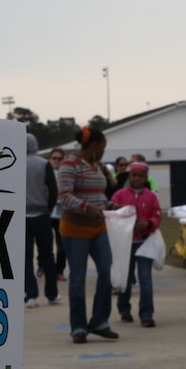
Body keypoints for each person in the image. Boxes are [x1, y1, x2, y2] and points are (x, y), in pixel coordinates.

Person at [58, 126, 120, 344]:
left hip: (98, 227)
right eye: (102, 148)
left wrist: (109, 204)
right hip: (75, 229)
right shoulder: (70, 164)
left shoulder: (97, 166)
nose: (104, 152)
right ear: (93, 146)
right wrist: (87, 207)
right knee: (78, 279)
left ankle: (99, 322)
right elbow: (64, 197)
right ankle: (78, 327)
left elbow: (98, 195)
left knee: (107, 271)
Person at [110, 161, 162, 327]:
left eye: (140, 175)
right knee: (126, 277)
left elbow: (157, 214)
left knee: (145, 278)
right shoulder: (120, 194)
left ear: (146, 177)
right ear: (129, 176)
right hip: (126, 244)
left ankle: (146, 314)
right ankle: (124, 309)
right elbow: (112, 211)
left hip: (145, 243)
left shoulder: (151, 196)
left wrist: (148, 224)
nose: (137, 178)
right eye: (134, 175)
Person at [24, 134, 60, 308]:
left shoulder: (14, 162)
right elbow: (53, 190)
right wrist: (49, 207)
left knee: (25, 257)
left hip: (22, 217)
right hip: (42, 215)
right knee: (47, 256)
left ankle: (31, 295)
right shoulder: (44, 163)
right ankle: (52, 294)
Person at [48, 147, 68, 283]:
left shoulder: (66, 174)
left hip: (61, 213)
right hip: (47, 211)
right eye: (54, 158)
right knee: (45, 243)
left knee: (62, 244)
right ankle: (44, 266)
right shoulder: (44, 172)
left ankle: (59, 270)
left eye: (59, 158)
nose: (57, 161)